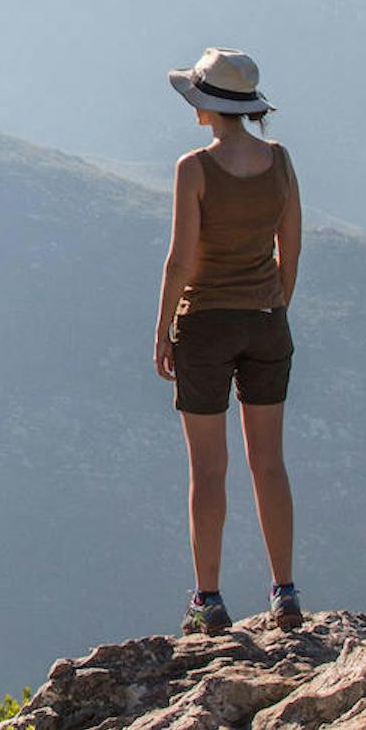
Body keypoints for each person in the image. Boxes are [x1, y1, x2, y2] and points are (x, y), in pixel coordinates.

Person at [152, 47, 304, 635]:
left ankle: (208, 601)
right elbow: (289, 251)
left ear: (206, 106)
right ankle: (285, 591)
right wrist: (274, 303)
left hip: (205, 326)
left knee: (208, 469)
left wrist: (163, 329)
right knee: (270, 462)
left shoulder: (194, 169)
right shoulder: (281, 163)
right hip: (267, 321)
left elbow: (179, 261)